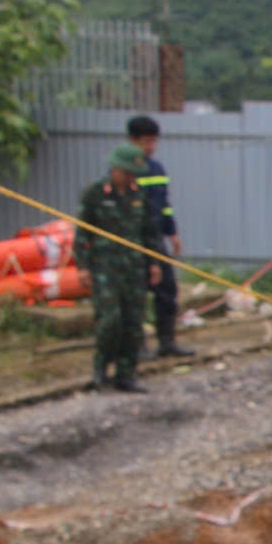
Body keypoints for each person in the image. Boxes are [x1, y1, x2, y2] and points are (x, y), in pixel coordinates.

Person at [79, 145, 158, 394]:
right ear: (115, 169)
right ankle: (100, 370)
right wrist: (83, 267)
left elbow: (149, 231)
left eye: (134, 174)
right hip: (105, 268)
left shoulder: (139, 194)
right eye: (127, 172)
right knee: (110, 321)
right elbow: (82, 233)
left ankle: (126, 374)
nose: (131, 178)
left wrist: (155, 263)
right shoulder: (95, 193)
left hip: (134, 268)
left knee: (133, 323)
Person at [126, 114, 188, 359]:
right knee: (137, 294)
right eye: (147, 142)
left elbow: (165, 206)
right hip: (134, 242)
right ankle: (138, 345)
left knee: (167, 289)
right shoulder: (125, 172)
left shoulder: (157, 169)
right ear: (133, 141)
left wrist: (172, 233)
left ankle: (167, 341)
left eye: (154, 141)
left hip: (156, 240)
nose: (151, 146)